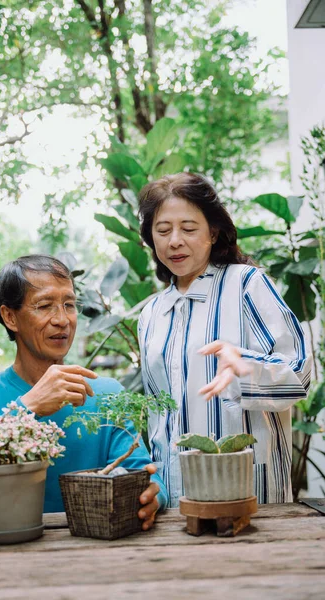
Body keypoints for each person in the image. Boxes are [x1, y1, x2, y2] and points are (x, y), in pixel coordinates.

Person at [0, 254, 167, 530]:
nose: (62, 320)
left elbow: (144, 475)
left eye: (69, 305)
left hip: (100, 553)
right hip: (9, 556)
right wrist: (27, 409)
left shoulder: (107, 394)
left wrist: (154, 495)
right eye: (45, 305)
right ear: (10, 316)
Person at [137, 172, 312, 507]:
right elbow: (159, 419)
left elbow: (301, 374)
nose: (175, 240)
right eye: (163, 230)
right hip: (175, 498)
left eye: (189, 228)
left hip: (250, 493)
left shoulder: (247, 284)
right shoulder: (152, 314)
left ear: (213, 232)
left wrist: (247, 368)